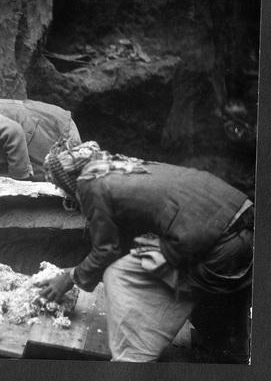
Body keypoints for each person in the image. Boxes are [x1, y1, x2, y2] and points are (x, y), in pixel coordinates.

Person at [38, 138, 254, 363]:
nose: (62, 191)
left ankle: (135, 357)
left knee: (123, 275)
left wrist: (69, 277)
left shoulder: (89, 185)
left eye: (59, 184)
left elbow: (106, 250)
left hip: (222, 246)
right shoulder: (122, 167)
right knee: (140, 265)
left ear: (68, 178)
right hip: (242, 218)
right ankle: (213, 348)